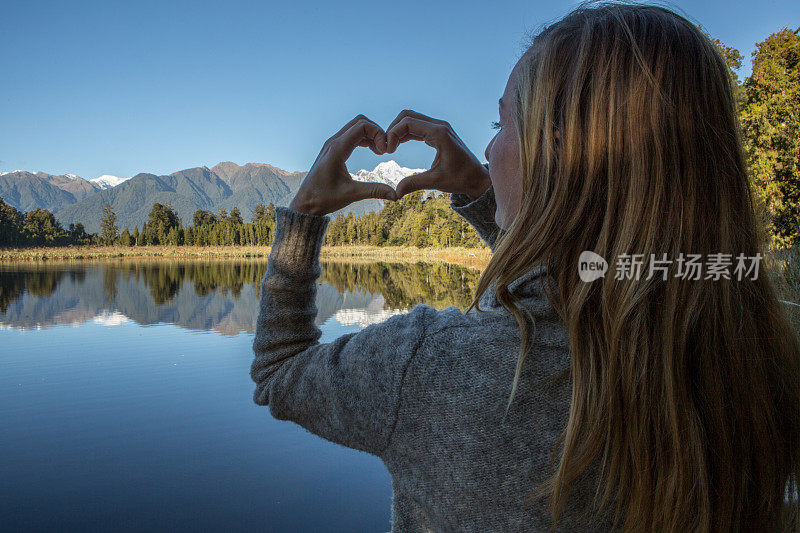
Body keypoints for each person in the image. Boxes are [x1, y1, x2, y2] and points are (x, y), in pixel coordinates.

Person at [251, 2, 800, 531]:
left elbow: (280, 371)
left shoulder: (432, 367)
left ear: (556, 153)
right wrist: (484, 195)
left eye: (502, 123)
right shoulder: (753, 362)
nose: (488, 150)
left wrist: (304, 215)